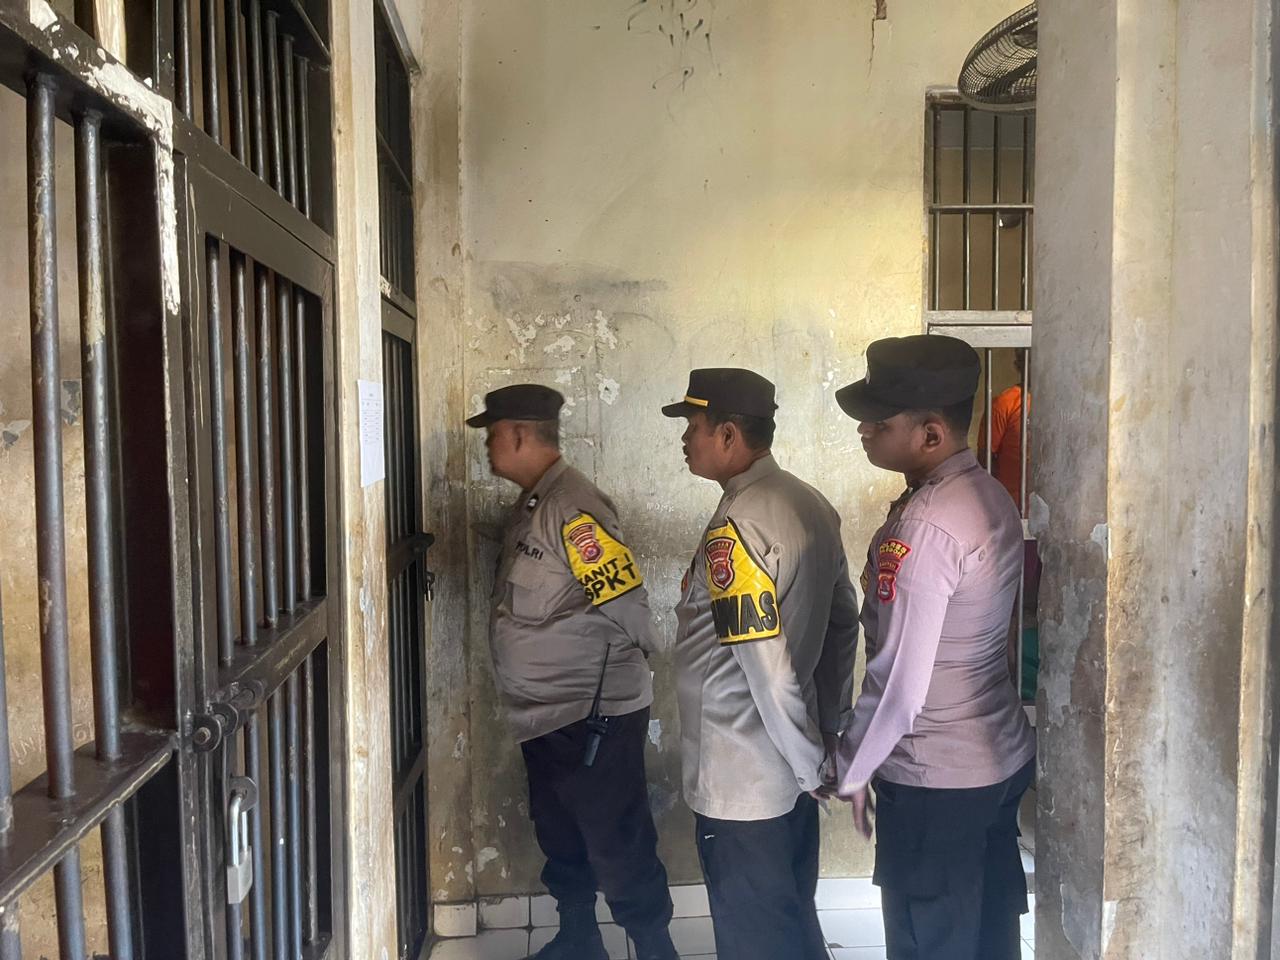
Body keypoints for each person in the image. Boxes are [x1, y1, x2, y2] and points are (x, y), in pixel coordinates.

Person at [832, 335, 1037, 960]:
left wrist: (852, 767)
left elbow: (899, 683)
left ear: (929, 434)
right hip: (995, 756)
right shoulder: (987, 495)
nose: (864, 429)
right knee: (988, 936)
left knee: (931, 942)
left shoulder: (925, 525)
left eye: (880, 420)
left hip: (937, 777)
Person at [467, 384, 677, 960]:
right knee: (560, 831)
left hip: (590, 714)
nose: (487, 447)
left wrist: (638, 668)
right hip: (546, 714)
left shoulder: (573, 508)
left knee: (618, 840)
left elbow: (626, 602)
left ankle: (656, 949)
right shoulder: (535, 503)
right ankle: (580, 939)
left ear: (518, 434)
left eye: (492, 435)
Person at [662, 368, 859, 960]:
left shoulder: (738, 526)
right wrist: (827, 731)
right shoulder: (810, 502)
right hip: (792, 764)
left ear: (728, 435)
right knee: (791, 923)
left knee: (756, 936)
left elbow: (765, 666)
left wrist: (808, 764)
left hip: (743, 774)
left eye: (693, 426)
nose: (685, 439)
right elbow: (843, 623)